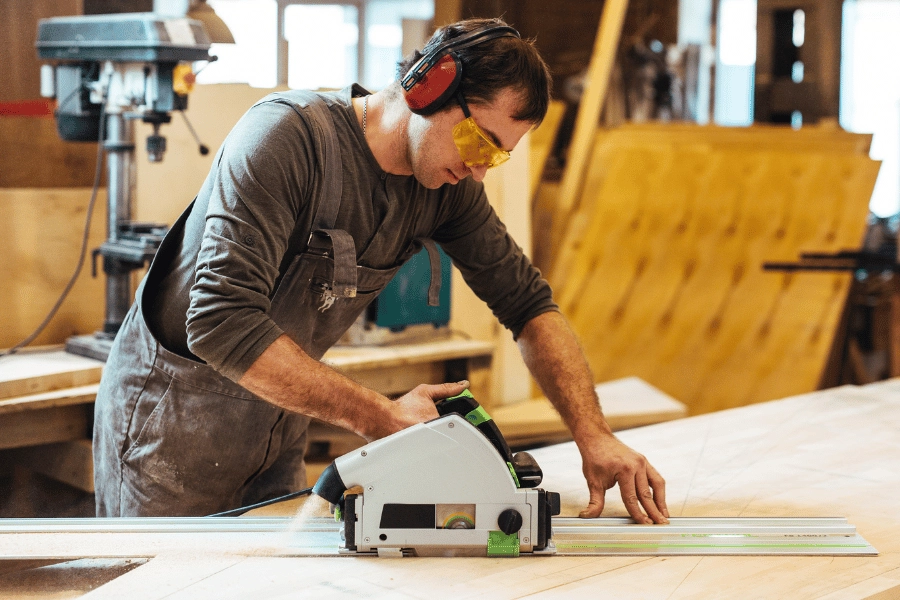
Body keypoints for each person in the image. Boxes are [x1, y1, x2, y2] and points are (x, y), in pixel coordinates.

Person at [93, 17, 669, 525]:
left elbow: (527, 305)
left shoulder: (446, 188)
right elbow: (220, 321)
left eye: (497, 156)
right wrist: (383, 417)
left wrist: (593, 435)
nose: (478, 170)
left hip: (279, 420)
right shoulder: (288, 140)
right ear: (429, 87)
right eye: (479, 141)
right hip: (169, 425)